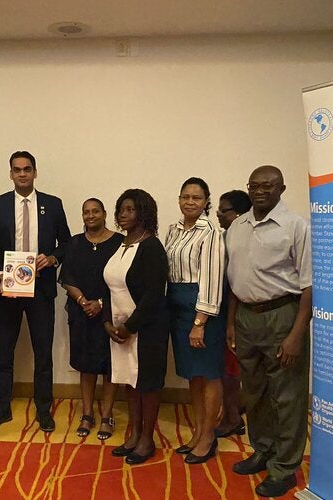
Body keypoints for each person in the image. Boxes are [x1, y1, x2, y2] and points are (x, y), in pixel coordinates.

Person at [225, 166, 312, 498]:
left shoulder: (296, 226)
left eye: (268, 186)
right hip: (246, 317)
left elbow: (309, 285)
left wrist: (296, 334)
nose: (260, 191)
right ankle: (262, 450)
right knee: (254, 391)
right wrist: (231, 322)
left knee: (287, 396)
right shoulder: (237, 227)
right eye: (255, 186)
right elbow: (234, 279)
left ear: (282, 188)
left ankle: (284, 468)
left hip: (282, 316)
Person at [0, 151, 71, 433]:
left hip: (41, 289)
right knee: (3, 353)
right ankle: (2, 409)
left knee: (43, 353)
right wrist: (0, 274)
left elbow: (66, 243)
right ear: (10, 173)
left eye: (27, 169)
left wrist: (53, 258)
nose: (22, 174)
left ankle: (44, 410)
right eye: (17, 169)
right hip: (7, 290)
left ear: (35, 172)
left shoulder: (53, 204)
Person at [102, 189, 168, 465]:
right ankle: (135, 434)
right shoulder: (121, 245)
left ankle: (147, 440)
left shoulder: (152, 247)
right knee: (130, 381)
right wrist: (108, 322)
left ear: (144, 213)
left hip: (146, 330)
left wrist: (130, 326)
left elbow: (154, 294)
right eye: (121, 209)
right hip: (120, 330)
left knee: (147, 384)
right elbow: (108, 287)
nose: (123, 214)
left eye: (130, 209)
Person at [164, 178, 225, 464]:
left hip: (201, 310)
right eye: (185, 196)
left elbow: (212, 279)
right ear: (179, 199)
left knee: (208, 373)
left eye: (197, 198)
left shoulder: (211, 233)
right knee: (193, 374)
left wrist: (200, 322)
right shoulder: (173, 230)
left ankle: (208, 436)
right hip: (177, 308)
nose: (190, 202)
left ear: (206, 202)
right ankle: (199, 431)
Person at [59, 198, 123, 440]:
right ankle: (87, 414)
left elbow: (123, 280)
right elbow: (67, 278)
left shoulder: (119, 243)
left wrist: (101, 303)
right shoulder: (75, 243)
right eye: (86, 212)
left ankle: (107, 415)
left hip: (110, 312)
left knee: (109, 365)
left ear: (104, 214)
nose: (91, 215)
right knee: (86, 365)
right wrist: (83, 301)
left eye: (96, 211)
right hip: (81, 312)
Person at [214, 189, 252, 438]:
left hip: (235, 313)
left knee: (229, 372)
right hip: (225, 311)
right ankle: (234, 410)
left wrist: (230, 323)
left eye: (223, 210)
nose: (218, 214)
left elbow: (236, 284)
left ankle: (232, 419)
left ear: (238, 214)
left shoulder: (241, 240)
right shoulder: (226, 236)